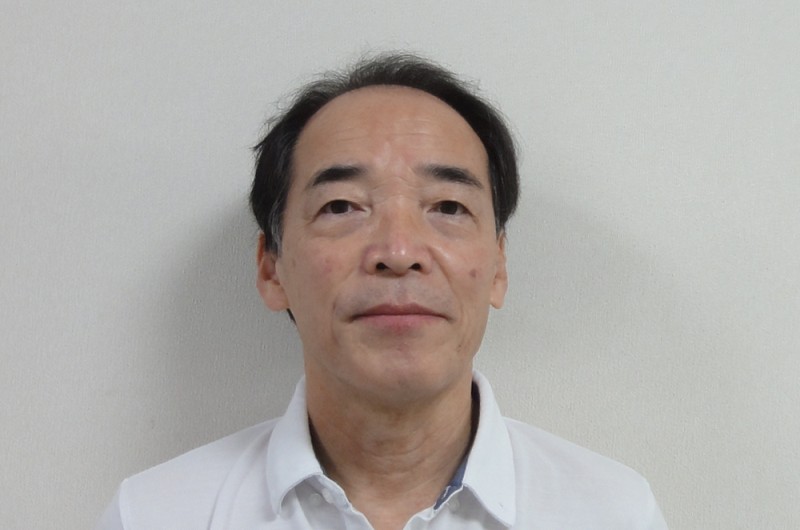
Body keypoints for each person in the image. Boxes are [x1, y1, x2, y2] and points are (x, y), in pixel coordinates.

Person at [97, 53, 668, 529]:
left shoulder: (613, 513)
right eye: (342, 206)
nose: (398, 252)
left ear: (498, 266)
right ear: (271, 268)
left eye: (448, 207)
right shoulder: (153, 515)